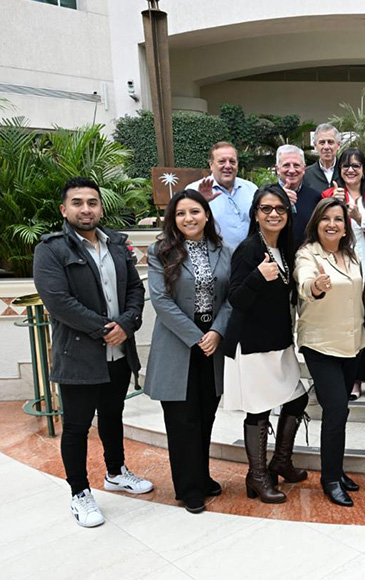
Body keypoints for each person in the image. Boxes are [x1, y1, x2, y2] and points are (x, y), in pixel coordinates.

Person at [33, 177, 152, 528]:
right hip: (79, 355)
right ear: (64, 209)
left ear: (101, 207)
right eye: (77, 203)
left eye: (92, 202)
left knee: (113, 415)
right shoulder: (51, 249)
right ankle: (79, 493)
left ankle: (115, 472)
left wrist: (126, 325)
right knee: (76, 426)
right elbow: (58, 301)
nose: (86, 209)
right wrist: (105, 329)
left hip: (118, 352)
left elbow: (135, 289)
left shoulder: (116, 244)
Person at [144, 189, 232, 513]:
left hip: (212, 345)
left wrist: (217, 332)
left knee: (206, 415)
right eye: (181, 213)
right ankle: (189, 488)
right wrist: (197, 337)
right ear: (173, 219)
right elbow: (161, 300)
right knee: (183, 420)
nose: (188, 218)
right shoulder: (160, 251)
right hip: (178, 344)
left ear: (206, 215)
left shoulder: (224, 251)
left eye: (194, 211)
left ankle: (201, 476)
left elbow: (231, 297)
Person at [224, 184, 309, 504]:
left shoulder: (284, 248)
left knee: (297, 399)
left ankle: (281, 461)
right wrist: (258, 276)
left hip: (279, 342)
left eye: (280, 209)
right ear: (256, 214)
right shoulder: (248, 249)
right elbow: (235, 298)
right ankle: (257, 476)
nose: (274, 214)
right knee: (258, 411)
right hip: (253, 344)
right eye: (266, 208)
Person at [295, 197, 365, 507]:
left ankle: (336, 469)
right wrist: (316, 286)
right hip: (320, 343)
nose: (332, 224)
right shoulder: (307, 254)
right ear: (316, 223)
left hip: (352, 343)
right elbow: (305, 282)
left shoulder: (352, 254)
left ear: (345, 226)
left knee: (341, 410)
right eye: (326, 218)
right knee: (336, 408)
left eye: (338, 219)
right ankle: (330, 478)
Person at [323, 147, 365, 401]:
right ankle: (352, 377)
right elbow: (322, 227)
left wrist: (361, 218)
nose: (350, 170)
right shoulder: (330, 194)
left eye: (356, 166)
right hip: (339, 264)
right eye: (345, 166)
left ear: (364, 170)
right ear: (339, 170)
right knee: (346, 320)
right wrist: (335, 204)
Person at [187, 142, 257, 249]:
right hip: (214, 255)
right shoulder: (194, 190)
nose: (228, 166)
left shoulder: (251, 189)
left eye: (232, 161)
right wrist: (200, 203)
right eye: (222, 161)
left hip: (250, 255)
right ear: (211, 165)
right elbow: (187, 224)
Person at [275, 144, 322, 244]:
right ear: (277, 169)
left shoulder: (315, 197)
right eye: (286, 165)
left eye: (296, 165)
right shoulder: (265, 195)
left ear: (304, 169)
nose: (292, 170)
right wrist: (279, 199)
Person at [303, 123, 343, 193]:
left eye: (330, 142)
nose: (326, 147)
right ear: (315, 146)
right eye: (322, 142)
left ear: (338, 145)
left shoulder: (346, 172)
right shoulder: (306, 175)